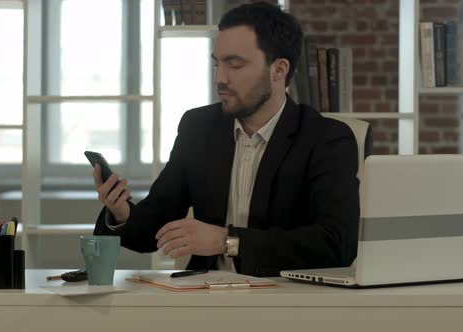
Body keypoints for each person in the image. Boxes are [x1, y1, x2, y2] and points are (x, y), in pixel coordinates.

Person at [92, 1, 359, 277]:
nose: (220, 78)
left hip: (286, 303)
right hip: (207, 302)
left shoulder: (326, 139)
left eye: (235, 65)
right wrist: (122, 212)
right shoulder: (198, 128)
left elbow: (336, 244)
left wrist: (227, 242)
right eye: (217, 64)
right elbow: (155, 229)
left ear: (279, 70)